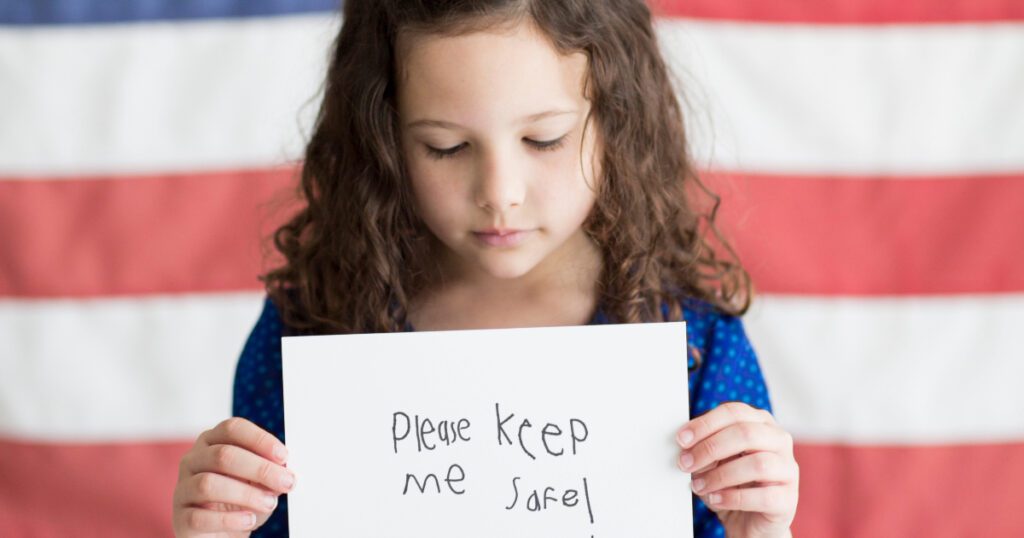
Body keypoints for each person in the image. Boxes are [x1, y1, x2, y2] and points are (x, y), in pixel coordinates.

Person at [172, 1, 800, 536]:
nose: (500, 192)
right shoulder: (310, 327)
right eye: (446, 146)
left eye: (545, 139)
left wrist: (763, 530)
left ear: (617, 123)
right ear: (384, 138)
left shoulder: (694, 342)